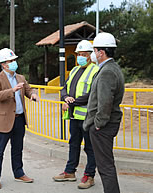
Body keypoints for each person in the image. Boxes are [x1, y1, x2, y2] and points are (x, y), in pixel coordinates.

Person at [0, 48, 39, 189]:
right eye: (11, 61)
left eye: (14, 60)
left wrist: (33, 95)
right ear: (4, 64)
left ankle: (19, 173)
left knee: (18, 149)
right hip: (3, 121)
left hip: (19, 119)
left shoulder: (20, 78)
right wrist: (12, 90)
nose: (14, 63)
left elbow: (29, 89)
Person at [52, 40, 99, 189]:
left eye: (84, 55)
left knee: (90, 148)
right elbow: (64, 88)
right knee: (73, 145)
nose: (80, 57)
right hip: (74, 116)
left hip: (88, 117)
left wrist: (71, 102)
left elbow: (92, 94)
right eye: (79, 54)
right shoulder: (74, 70)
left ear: (90, 56)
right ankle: (70, 172)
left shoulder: (96, 71)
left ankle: (89, 176)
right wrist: (65, 97)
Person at [83, 32, 125, 193]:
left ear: (101, 52)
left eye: (94, 51)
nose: (93, 54)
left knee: (105, 166)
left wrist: (98, 124)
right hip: (106, 124)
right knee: (106, 163)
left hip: (103, 126)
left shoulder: (107, 71)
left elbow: (105, 102)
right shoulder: (112, 68)